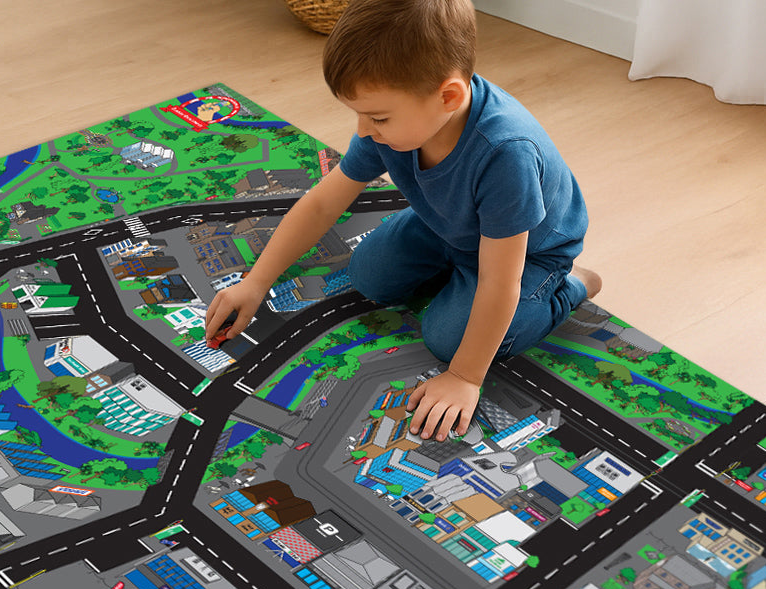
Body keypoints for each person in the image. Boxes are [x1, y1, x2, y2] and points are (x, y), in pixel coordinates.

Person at [205, 0, 601, 442]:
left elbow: (498, 280)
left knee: (448, 340)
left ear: (448, 97)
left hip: (528, 255)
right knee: (367, 275)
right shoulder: (402, 119)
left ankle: (571, 287)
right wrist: (256, 282)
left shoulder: (506, 152)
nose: (361, 131)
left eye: (376, 117)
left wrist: (466, 377)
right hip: (446, 225)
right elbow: (322, 204)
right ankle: (453, 272)